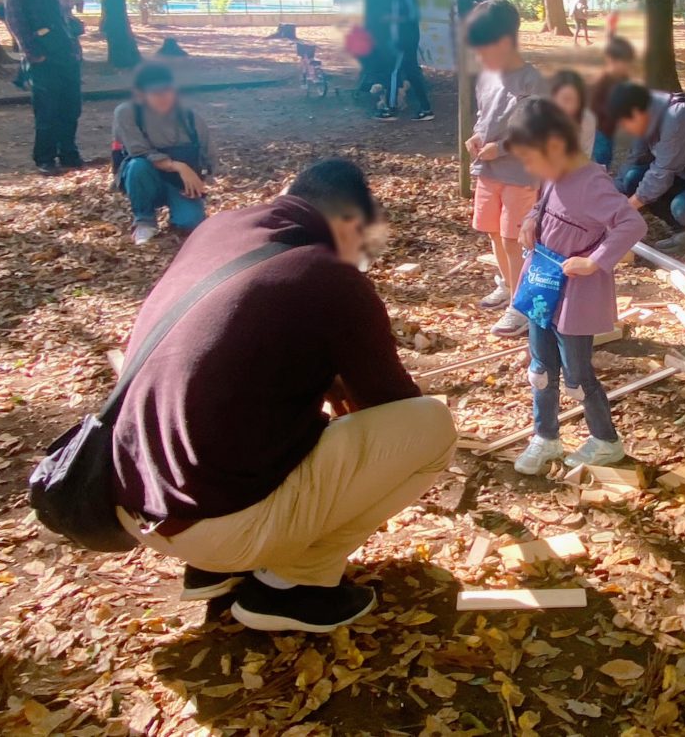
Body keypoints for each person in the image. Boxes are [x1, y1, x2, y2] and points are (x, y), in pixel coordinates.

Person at [112, 159, 457, 633]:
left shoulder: (219, 228)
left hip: (133, 498)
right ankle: (295, 586)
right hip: (214, 521)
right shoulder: (331, 273)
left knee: (235, 410)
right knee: (431, 427)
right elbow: (392, 404)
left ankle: (218, 568)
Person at [506, 98, 647, 474]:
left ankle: (605, 441)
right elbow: (544, 202)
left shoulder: (590, 183)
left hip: (575, 295)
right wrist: (530, 219)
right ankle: (545, 437)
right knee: (540, 367)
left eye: (529, 159)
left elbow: (631, 225)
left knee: (577, 374)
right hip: (542, 286)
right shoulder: (555, 173)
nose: (527, 168)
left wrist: (595, 261)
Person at [464, 0, 547, 337]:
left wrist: (500, 148)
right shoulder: (486, 77)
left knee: (515, 240)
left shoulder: (531, 81)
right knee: (495, 233)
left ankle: (521, 303)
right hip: (488, 173)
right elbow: (485, 118)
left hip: (520, 175)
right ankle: (507, 283)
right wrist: (476, 138)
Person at [4, 0, 83, 175]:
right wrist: (33, 53)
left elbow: (60, 15)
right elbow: (15, 18)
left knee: (71, 105)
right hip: (42, 55)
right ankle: (45, 157)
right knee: (47, 108)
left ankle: (68, 151)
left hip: (66, 51)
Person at [112, 63, 216, 245]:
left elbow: (208, 154)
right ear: (141, 94)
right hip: (144, 176)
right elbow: (139, 151)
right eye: (155, 92)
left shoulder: (190, 117)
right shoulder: (127, 113)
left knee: (191, 223)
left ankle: (179, 213)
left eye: (167, 91)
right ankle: (144, 220)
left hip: (180, 182)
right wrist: (178, 166)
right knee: (138, 165)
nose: (163, 97)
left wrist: (201, 181)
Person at [610, 81, 685, 251]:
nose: (626, 130)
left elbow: (663, 172)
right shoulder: (648, 115)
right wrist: (613, 199)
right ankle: (684, 230)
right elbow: (634, 160)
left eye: (625, 124)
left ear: (636, 113)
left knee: (682, 206)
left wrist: (626, 208)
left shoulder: (677, 117)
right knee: (633, 178)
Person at [379, 0, 433, 121]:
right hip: (403, 40)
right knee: (412, 74)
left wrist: (392, 19)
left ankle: (391, 108)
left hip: (406, 41)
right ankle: (426, 108)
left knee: (394, 73)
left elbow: (413, 16)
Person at [587, 37, 636, 169]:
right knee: (602, 155)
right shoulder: (602, 81)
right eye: (624, 63)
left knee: (607, 154)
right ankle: (598, 179)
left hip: (610, 127)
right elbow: (594, 106)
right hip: (599, 126)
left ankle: (602, 174)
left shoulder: (624, 78)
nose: (627, 66)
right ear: (611, 61)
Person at [550, 70, 597, 154]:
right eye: (566, 99)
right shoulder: (537, 117)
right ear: (553, 97)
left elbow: (584, 155)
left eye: (576, 100)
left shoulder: (587, 120)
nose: (570, 106)